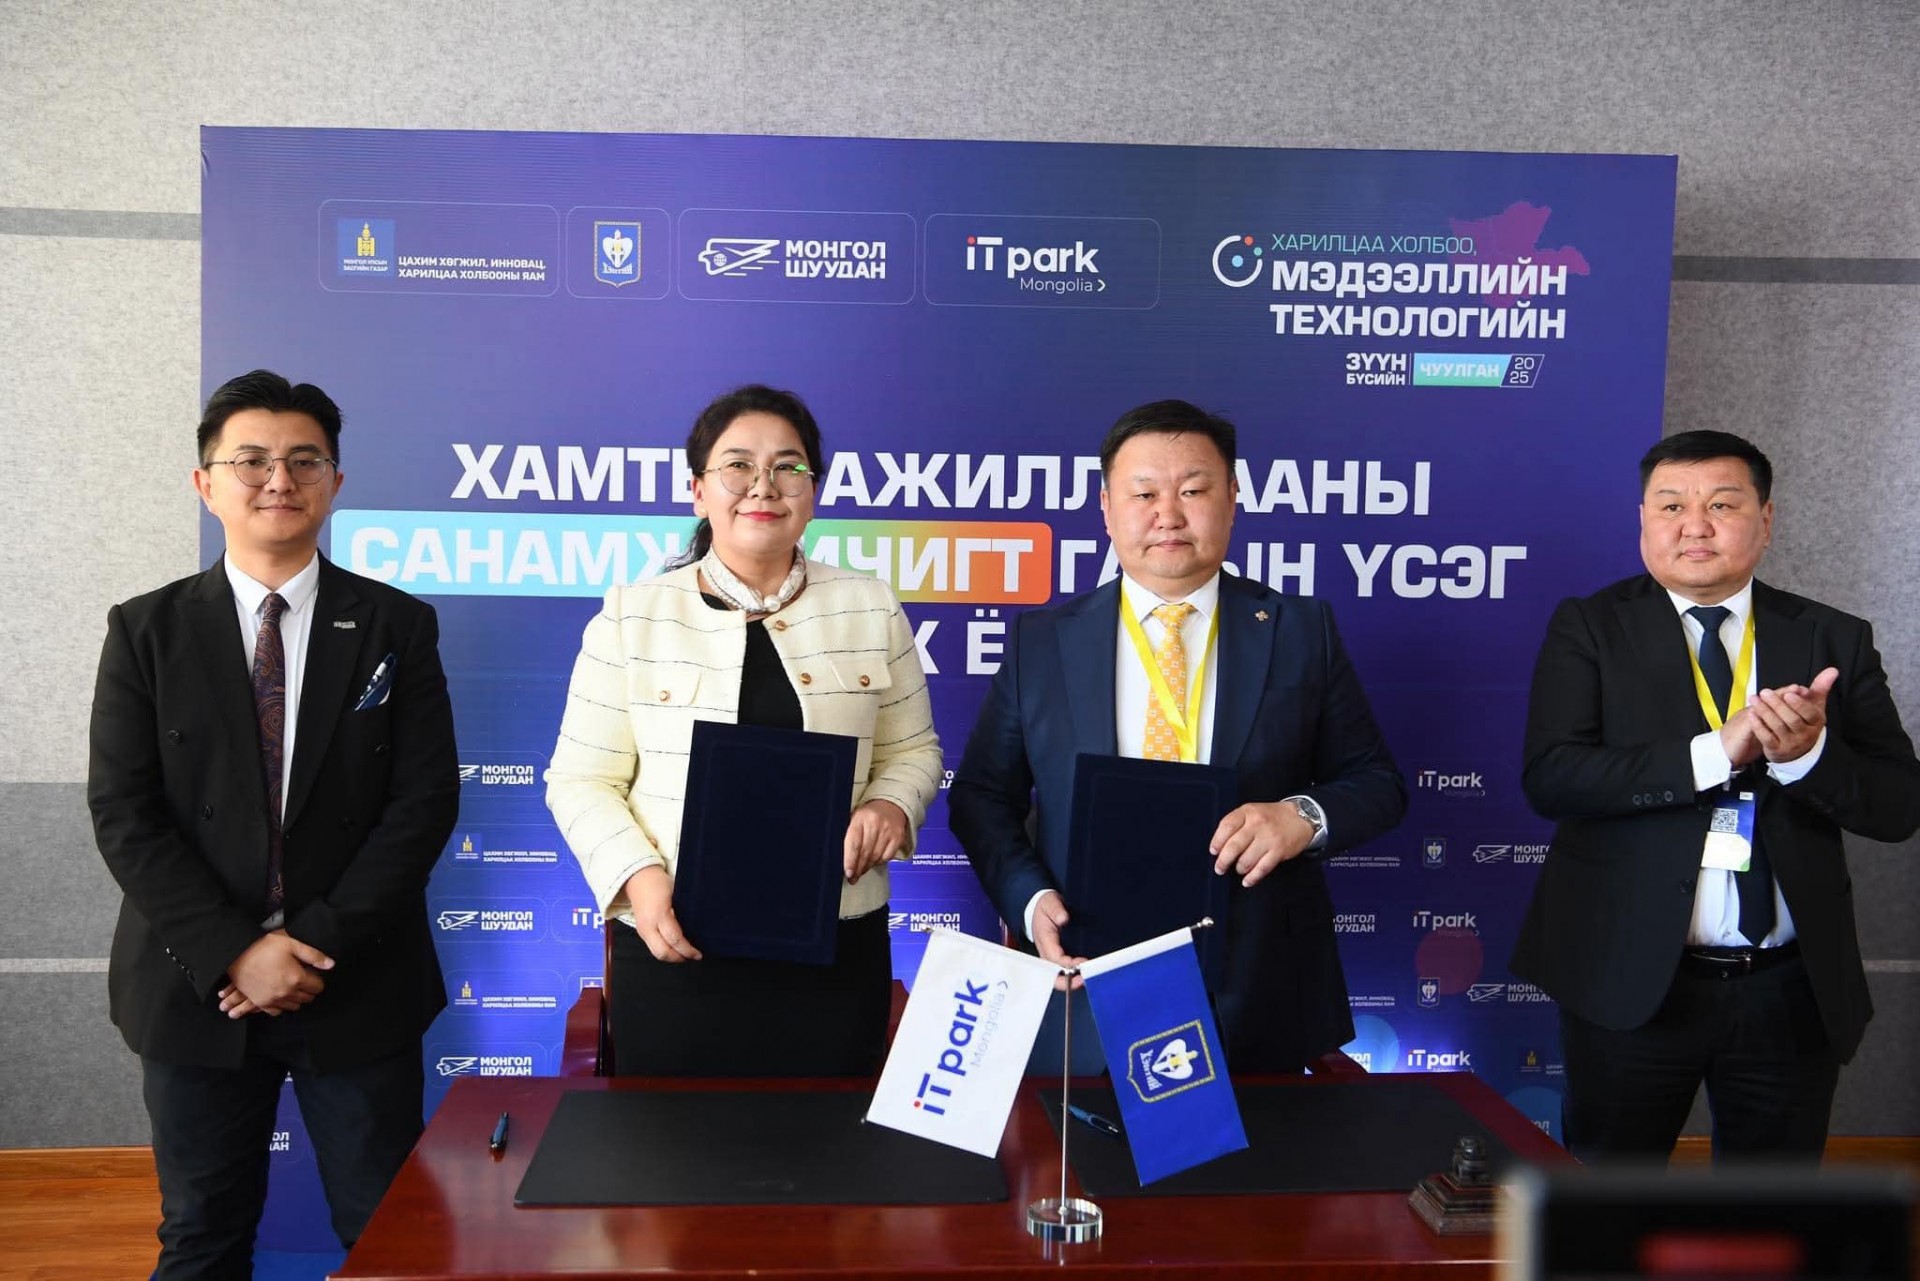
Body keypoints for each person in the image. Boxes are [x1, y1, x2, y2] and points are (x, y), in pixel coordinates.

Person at [88, 370, 460, 1277]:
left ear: (335, 481)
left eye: (304, 460)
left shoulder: (397, 626)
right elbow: (125, 811)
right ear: (205, 482)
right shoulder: (145, 630)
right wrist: (234, 951)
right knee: (200, 1234)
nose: (278, 479)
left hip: (357, 977)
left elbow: (422, 806)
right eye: (250, 459)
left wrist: (310, 945)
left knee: (387, 1237)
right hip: (195, 984)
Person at [949, 399, 1406, 1073]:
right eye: (1144, 493)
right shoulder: (1041, 642)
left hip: (1259, 981)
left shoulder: (1299, 631)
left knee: (1263, 1144)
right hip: (1088, 969)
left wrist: (1301, 817)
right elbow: (982, 795)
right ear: (1106, 508)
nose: (1168, 513)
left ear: (1232, 500)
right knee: (1088, 1140)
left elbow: (1378, 783)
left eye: (1193, 490)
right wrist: (1030, 898)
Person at [1510, 429, 1920, 1162]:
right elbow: (1553, 777)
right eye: (1671, 505)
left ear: (1766, 520)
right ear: (1643, 520)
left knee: (1770, 1208)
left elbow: (1898, 806)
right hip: (1631, 981)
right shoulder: (1591, 627)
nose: (1694, 525)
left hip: (1789, 989)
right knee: (1610, 1202)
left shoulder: (1833, 637)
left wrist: (1808, 757)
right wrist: (1713, 754)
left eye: (1722, 505)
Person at [545, 385, 942, 1075]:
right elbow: (580, 780)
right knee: (670, 1140)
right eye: (738, 466)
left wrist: (891, 804)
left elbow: (914, 750)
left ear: (813, 492)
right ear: (698, 491)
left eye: (789, 466)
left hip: (835, 946)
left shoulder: (870, 607)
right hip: (675, 943)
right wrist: (639, 878)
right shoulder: (632, 615)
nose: (764, 485)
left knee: (829, 1137)